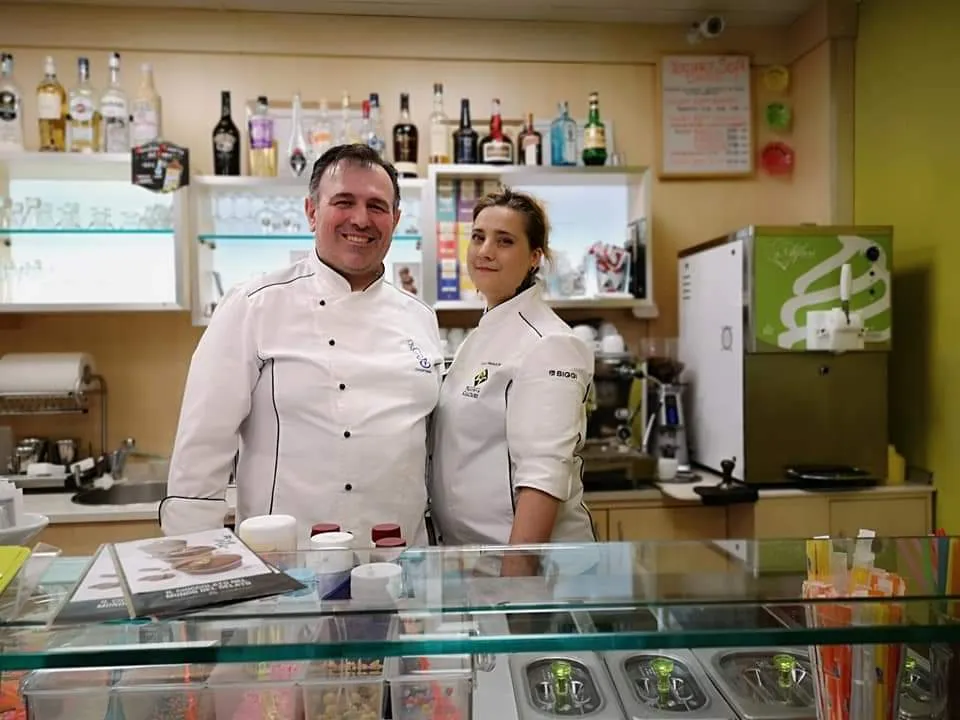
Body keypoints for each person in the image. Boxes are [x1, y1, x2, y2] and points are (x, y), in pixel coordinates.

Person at [160, 144, 444, 545]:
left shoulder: (420, 317)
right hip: (286, 567)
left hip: (400, 565)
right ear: (312, 212)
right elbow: (201, 451)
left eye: (377, 207)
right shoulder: (255, 305)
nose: (361, 219)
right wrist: (195, 563)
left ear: (396, 219)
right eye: (343, 202)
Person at [428, 187, 597, 577]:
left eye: (505, 241)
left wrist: (517, 582)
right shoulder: (488, 330)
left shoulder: (548, 342)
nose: (485, 251)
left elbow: (543, 476)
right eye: (478, 237)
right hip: (477, 565)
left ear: (535, 256)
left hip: (533, 574)